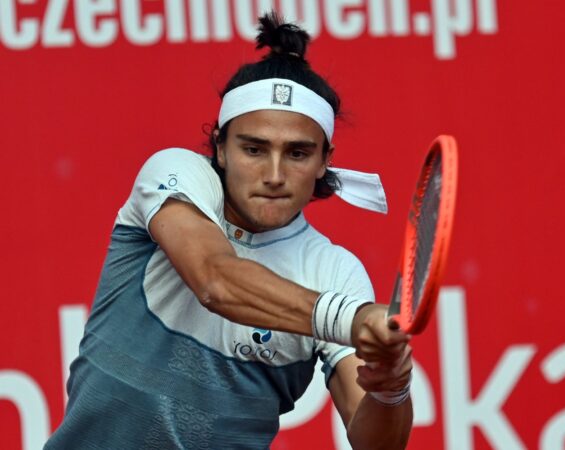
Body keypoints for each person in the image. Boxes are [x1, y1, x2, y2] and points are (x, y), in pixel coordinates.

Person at [45, 12, 413, 450]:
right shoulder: (176, 173)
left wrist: (391, 388)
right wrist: (349, 320)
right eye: (254, 149)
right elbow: (216, 280)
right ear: (220, 145)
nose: (274, 174)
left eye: (297, 153)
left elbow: (377, 444)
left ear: (324, 160)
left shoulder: (335, 272)